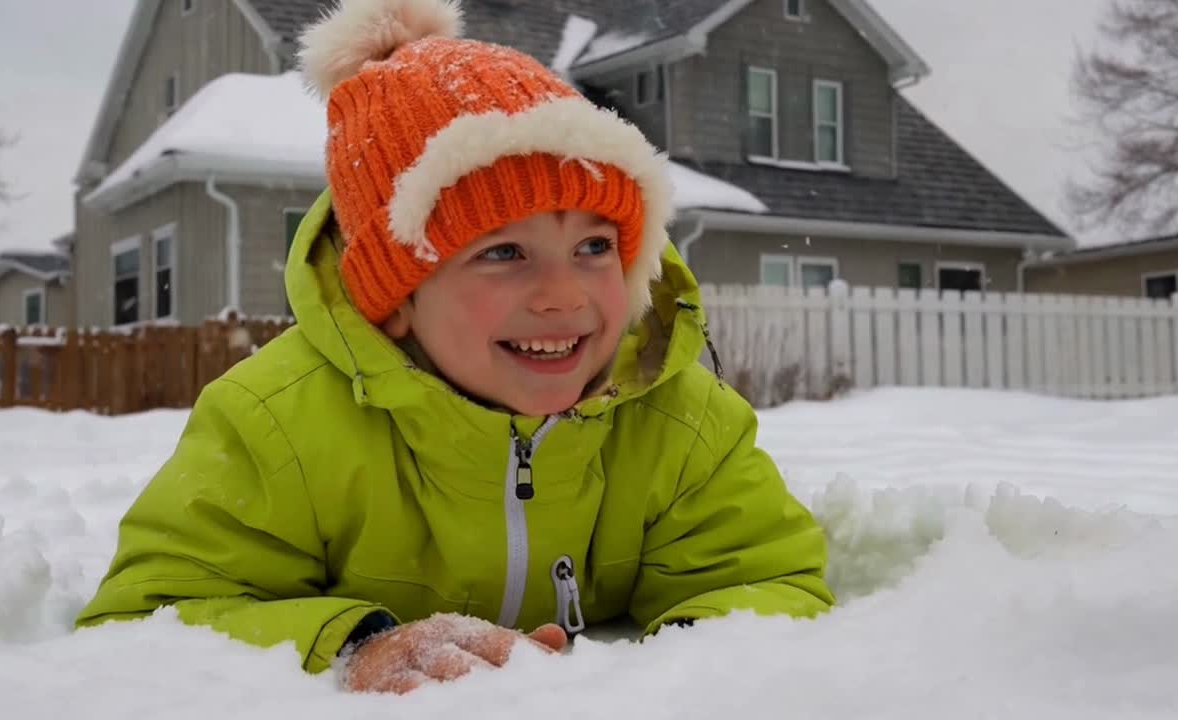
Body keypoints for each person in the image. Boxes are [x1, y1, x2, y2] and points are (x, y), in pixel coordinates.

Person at [74, 0, 835, 694]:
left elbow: (768, 587)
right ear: (397, 297)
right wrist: (349, 646)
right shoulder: (275, 426)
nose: (564, 294)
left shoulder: (676, 421)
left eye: (596, 246)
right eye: (504, 252)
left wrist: (666, 685)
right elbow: (149, 624)